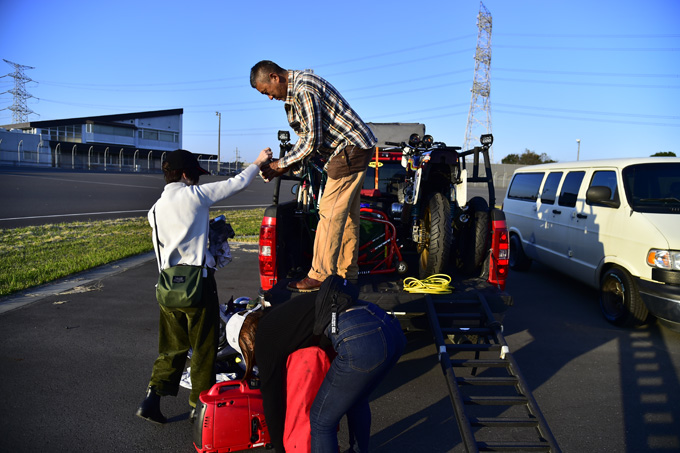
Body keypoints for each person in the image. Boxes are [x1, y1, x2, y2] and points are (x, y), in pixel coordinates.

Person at [136, 147, 273, 425]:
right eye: (195, 174)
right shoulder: (194, 197)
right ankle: (198, 408)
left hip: (166, 288)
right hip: (198, 286)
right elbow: (238, 183)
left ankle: (152, 398)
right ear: (185, 174)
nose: (197, 180)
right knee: (203, 347)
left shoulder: (155, 210)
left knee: (171, 348)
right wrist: (258, 162)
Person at [226, 276, 406, 452]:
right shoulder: (281, 315)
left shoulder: (264, 340)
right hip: (389, 327)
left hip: (358, 337)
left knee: (321, 421)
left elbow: (272, 404)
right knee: (357, 401)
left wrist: (280, 449)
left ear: (246, 342)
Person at [251, 60, 378, 292]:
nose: (269, 97)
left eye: (267, 91)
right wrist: (287, 166)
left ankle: (319, 275)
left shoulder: (303, 89)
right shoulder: (294, 95)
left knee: (328, 213)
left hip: (350, 148)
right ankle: (346, 273)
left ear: (274, 77)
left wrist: (281, 164)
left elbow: (312, 141)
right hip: (355, 147)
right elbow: (306, 140)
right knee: (347, 217)